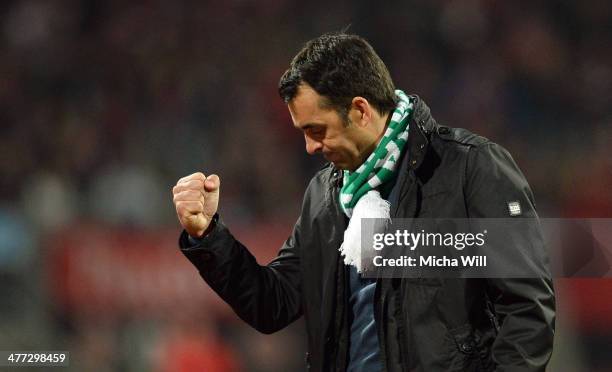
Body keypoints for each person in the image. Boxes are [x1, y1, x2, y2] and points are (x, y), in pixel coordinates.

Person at [172, 33, 555, 372]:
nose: (309, 147)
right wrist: (208, 236)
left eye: (316, 130)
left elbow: (526, 311)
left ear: (359, 109)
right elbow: (274, 303)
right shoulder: (324, 195)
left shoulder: (470, 168)